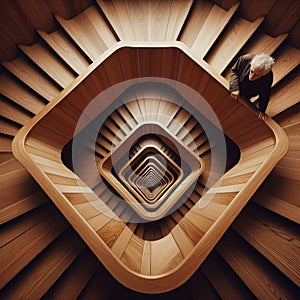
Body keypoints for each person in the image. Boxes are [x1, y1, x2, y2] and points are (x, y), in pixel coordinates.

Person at [229, 53, 275, 121]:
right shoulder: (245, 59)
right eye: (252, 71)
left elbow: (264, 95)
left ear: (264, 74)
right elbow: (234, 71)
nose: (251, 76)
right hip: (237, 83)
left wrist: (261, 110)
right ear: (251, 64)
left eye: (257, 75)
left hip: (249, 92)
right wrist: (234, 88)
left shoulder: (268, 78)